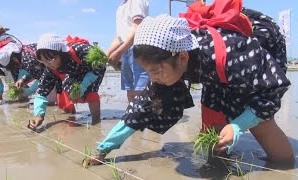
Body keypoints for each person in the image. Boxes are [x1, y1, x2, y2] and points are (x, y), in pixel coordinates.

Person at [89, 0, 294, 165]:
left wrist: (239, 126)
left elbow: (272, 90)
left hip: (258, 47)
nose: (153, 78)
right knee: (213, 120)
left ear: (183, 58)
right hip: (211, 64)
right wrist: (103, 148)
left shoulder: (233, 51)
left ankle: (284, 165)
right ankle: (219, 164)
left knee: (262, 125)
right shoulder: (167, 57)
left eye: (156, 71)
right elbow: (140, 107)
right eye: (148, 72)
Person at [28, 33, 106, 130]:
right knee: (68, 88)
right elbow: (41, 92)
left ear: (61, 53)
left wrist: (83, 86)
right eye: (43, 61)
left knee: (91, 92)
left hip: (93, 69)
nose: (49, 64)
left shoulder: (81, 50)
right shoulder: (50, 68)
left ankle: (96, 121)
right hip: (75, 71)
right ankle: (72, 112)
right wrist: (39, 116)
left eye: (51, 59)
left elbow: (100, 63)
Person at [107, 0, 150, 102]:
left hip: (137, 48)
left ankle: (144, 115)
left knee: (141, 87)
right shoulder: (121, 7)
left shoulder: (136, 1)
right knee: (129, 87)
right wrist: (107, 54)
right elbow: (120, 37)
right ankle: (132, 115)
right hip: (125, 51)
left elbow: (138, 29)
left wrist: (118, 52)